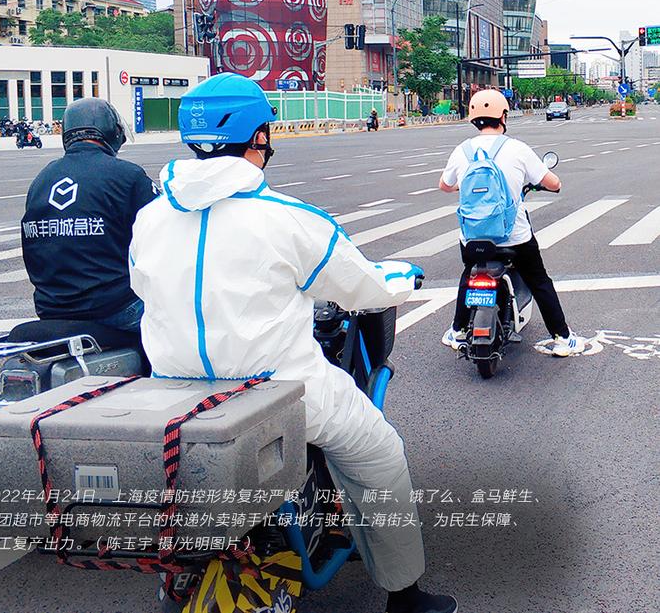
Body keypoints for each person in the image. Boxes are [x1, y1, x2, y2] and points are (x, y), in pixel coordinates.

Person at [130, 73, 457, 613]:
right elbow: (362, 287)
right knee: (379, 453)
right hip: (281, 390)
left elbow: (143, 289)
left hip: (176, 394)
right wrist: (400, 278)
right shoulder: (288, 219)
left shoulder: (149, 219)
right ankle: (405, 595)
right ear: (258, 136)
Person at [438, 89, 584, 357]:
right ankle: (563, 337)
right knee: (539, 280)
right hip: (514, 238)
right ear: (503, 116)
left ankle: (457, 329)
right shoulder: (517, 148)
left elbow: (444, 186)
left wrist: (463, 184)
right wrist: (550, 183)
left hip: (473, 238)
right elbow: (553, 182)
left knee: (469, 273)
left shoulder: (462, 151)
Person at [21, 97, 159, 332]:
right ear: (111, 131)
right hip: (114, 308)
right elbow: (164, 233)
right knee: (183, 323)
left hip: (51, 309)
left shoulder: (41, 180)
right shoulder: (128, 176)